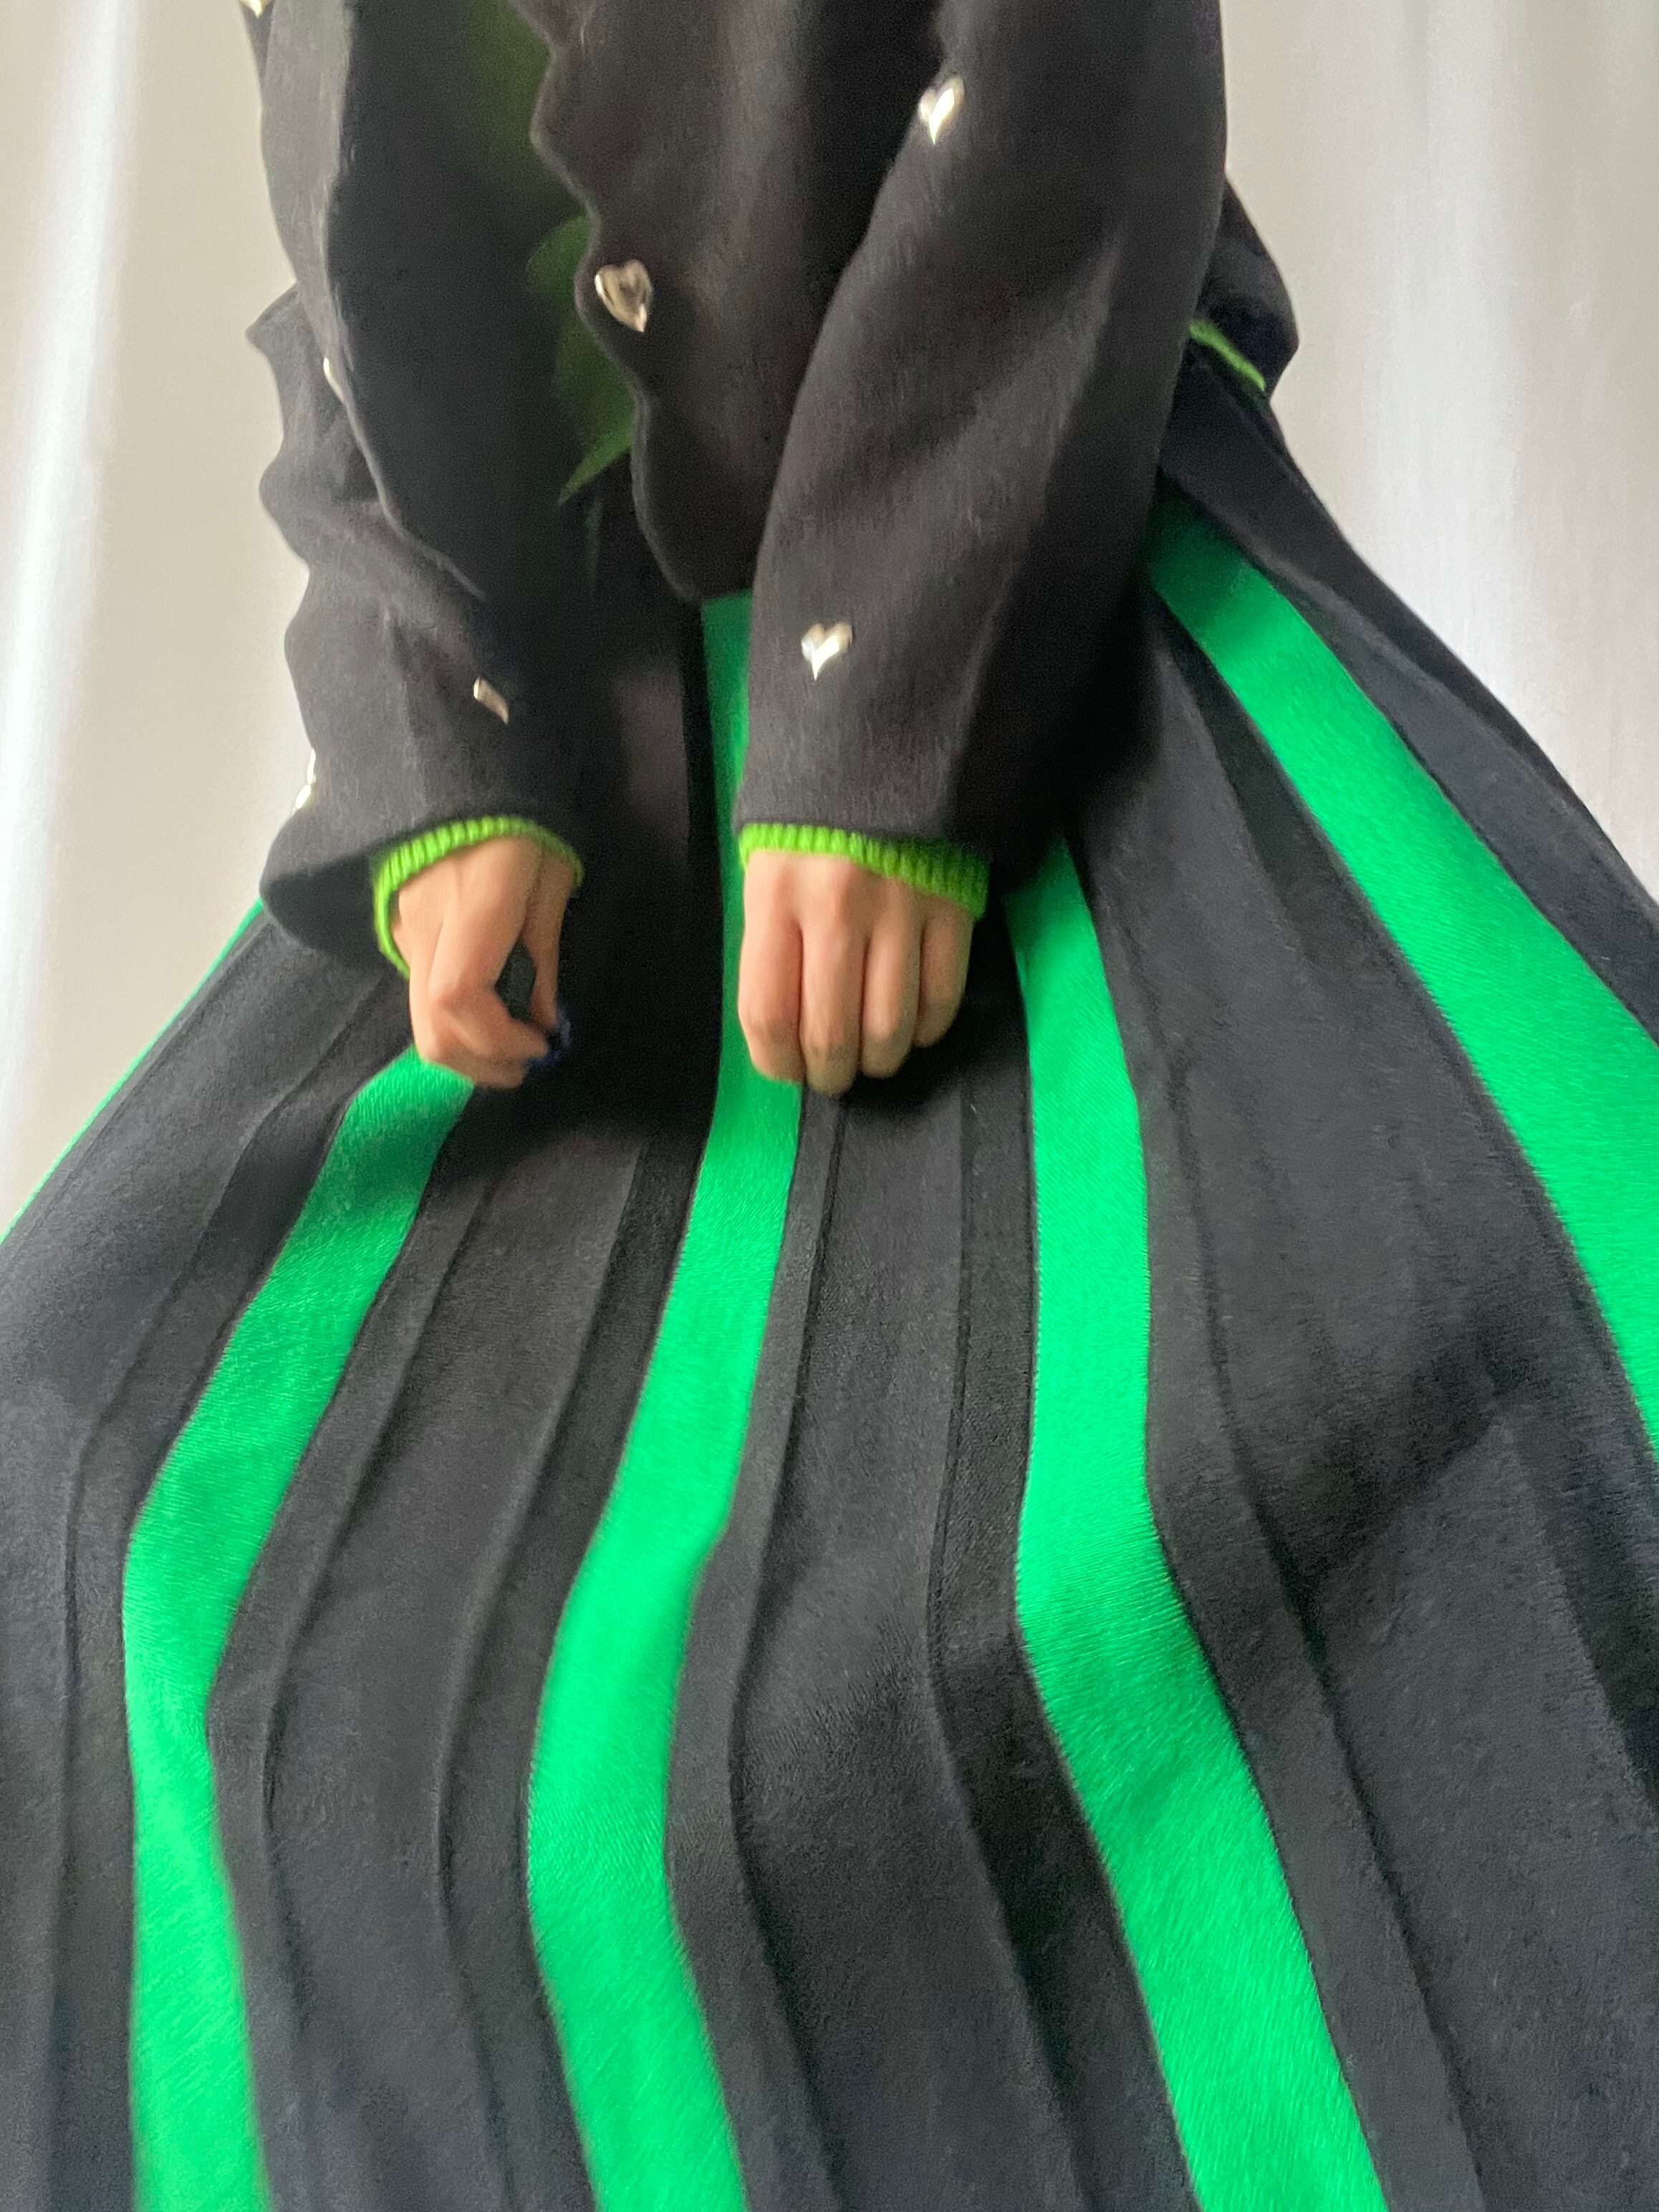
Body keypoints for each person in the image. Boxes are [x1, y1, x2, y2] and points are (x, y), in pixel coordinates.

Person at [3, 0, 1658, 2205]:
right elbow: (352, 283)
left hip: (1048, 577)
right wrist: (439, 749)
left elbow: (1075, 76)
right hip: (582, 770)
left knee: (1547, 1262)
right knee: (79, 1448)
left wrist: (877, 709)